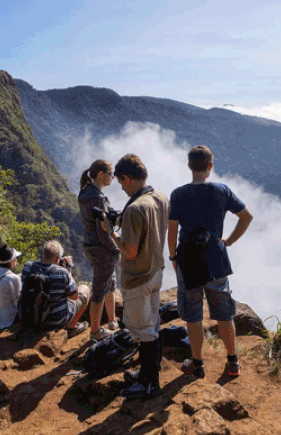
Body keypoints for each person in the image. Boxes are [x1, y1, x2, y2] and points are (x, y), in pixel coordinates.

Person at [168, 146, 254, 378]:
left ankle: (198, 365)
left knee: (193, 315)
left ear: (189, 166)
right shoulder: (222, 190)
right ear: (210, 167)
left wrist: (173, 257)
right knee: (224, 313)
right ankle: (233, 362)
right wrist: (229, 241)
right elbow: (247, 217)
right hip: (216, 258)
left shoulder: (178, 194)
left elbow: (172, 229)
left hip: (188, 259)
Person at [101, 154, 169, 399]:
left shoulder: (136, 208)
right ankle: (145, 375)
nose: (121, 186)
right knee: (153, 327)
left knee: (144, 332)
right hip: (156, 271)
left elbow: (129, 251)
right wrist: (121, 218)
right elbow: (150, 228)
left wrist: (111, 232)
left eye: (121, 182)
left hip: (138, 277)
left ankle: (149, 383)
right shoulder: (160, 198)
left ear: (128, 178)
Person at [78, 159, 121, 341]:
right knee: (99, 289)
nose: (113, 178)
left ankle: (111, 321)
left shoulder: (85, 192)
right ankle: (95, 332)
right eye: (111, 174)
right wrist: (116, 249)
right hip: (102, 247)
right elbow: (103, 231)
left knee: (108, 282)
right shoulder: (98, 197)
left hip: (90, 245)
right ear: (102, 175)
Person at [20, 240, 90, 336]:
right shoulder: (62, 273)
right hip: (56, 321)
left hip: (30, 317)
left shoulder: (28, 267)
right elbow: (74, 297)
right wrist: (68, 272)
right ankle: (72, 328)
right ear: (58, 259)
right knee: (85, 288)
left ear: (43, 254)